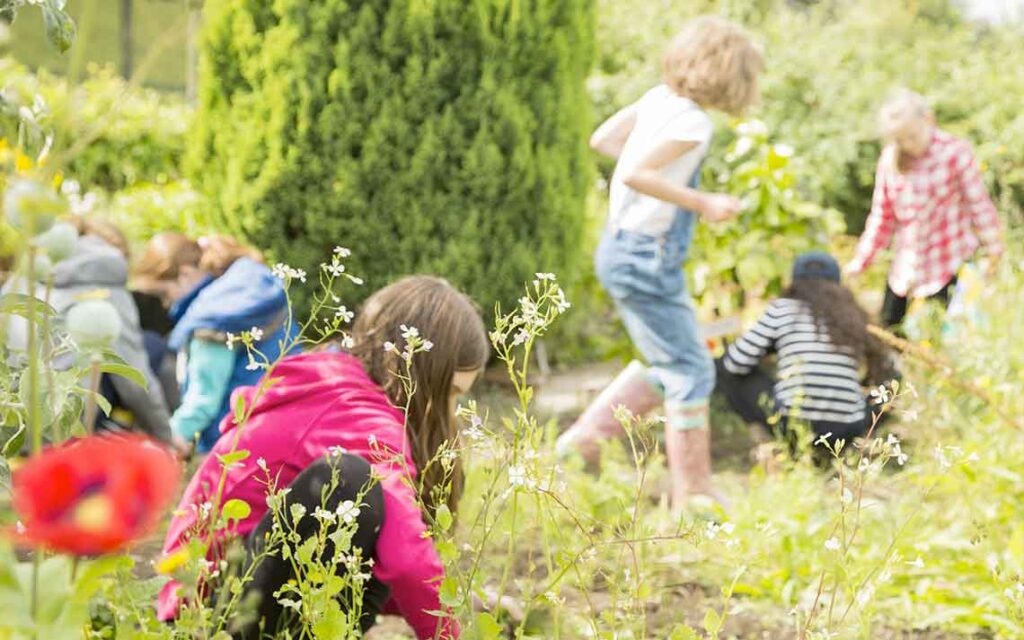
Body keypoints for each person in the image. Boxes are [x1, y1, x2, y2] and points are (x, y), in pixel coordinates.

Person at [157, 276, 489, 640]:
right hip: (208, 615)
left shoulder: (337, 383)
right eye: (450, 392)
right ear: (419, 370)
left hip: (234, 592)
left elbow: (385, 562)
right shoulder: (358, 414)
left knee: (379, 513)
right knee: (349, 479)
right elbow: (406, 561)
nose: (450, 410)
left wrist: (461, 601)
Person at [556, 16, 763, 509]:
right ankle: (694, 495)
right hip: (647, 257)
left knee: (673, 362)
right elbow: (634, 172)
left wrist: (654, 177)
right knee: (692, 369)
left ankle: (581, 443)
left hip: (621, 249)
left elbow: (604, 140)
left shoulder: (658, 99)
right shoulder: (694, 122)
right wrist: (702, 202)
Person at [2, 216, 177, 447]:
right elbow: (134, 381)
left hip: (9, 419)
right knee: (151, 345)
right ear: (118, 253)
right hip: (62, 426)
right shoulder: (107, 280)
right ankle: (112, 431)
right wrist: (167, 439)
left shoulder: (27, 272)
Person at [844, 89, 1004, 329]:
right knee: (888, 332)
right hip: (906, 271)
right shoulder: (890, 160)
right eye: (900, 140)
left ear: (928, 119)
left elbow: (979, 206)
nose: (908, 145)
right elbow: (882, 217)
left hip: (949, 265)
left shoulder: (954, 152)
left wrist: (994, 251)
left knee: (938, 336)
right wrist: (861, 260)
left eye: (912, 136)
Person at [717, 252, 898, 448]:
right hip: (847, 428)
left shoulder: (783, 309)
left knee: (722, 366)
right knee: (893, 383)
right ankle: (853, 440)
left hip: (794, 423)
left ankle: (774, 440)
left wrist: (771, 349)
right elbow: (889, 364)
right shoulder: (852, 314)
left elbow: (735, 362)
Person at [134, 233, 293, 453]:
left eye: (164, 294)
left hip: (236, 442)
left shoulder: (212, 318)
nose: (167, 304)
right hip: (284, 423)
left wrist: (168, 439)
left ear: (185, 274)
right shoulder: (253, 292)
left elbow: (203, 400)